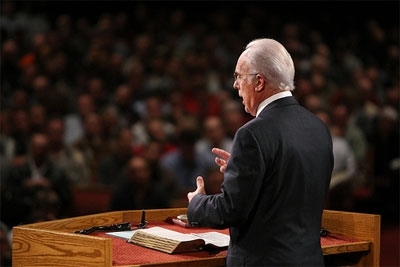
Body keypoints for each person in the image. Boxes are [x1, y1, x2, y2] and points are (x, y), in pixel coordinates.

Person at [187, 38, 334, 266]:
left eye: (239, 76)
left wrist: (197, 203)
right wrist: (244, 171)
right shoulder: (318, 127)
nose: (235, 84)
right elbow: (289, 191)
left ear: (259, 82)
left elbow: (230, 210)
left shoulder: (252, 133)